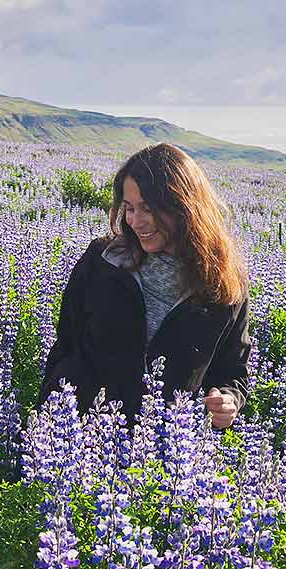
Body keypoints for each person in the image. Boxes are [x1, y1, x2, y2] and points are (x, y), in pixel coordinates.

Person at [37, 142, 251, 429]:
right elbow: (65, 344)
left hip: (161, 453)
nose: (135, 221)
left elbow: (232, 371)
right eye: (128, 208)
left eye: (148, 209)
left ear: (183, 206)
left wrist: (227, 400)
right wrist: (49, 415)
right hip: (76, 438)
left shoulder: (223, 282)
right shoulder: (103, 260)